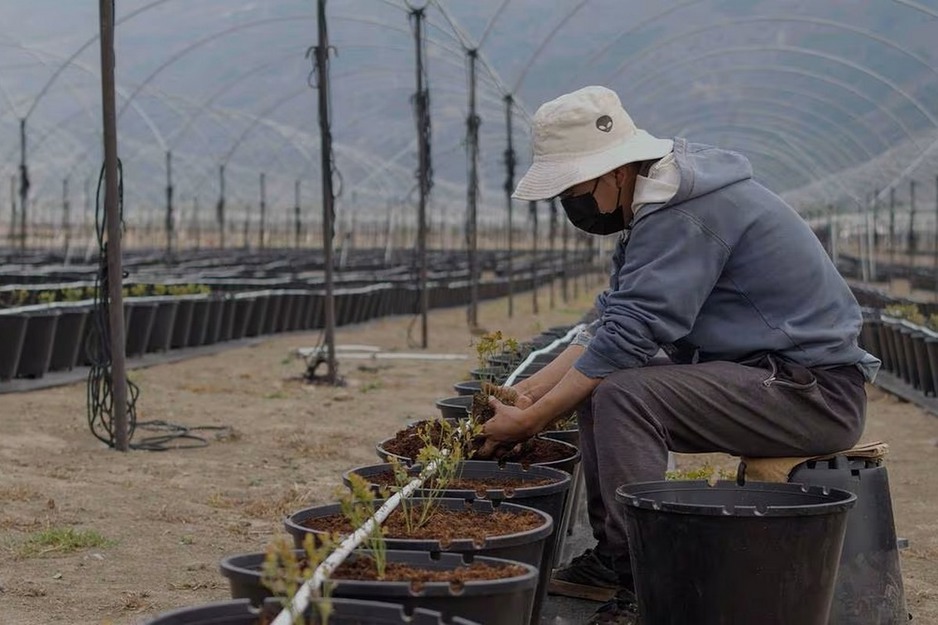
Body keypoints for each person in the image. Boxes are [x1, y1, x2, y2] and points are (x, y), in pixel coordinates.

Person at [477, 85, 879, 625]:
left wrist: (530, 419)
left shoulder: (684, 212)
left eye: (575, 187)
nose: (571, 202)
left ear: (615, 171)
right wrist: (529, 391)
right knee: (603, 387)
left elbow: (630, 337)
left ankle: (645, 580)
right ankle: (619, 559)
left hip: (811, 393)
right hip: (767, 379)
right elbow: (608, 324)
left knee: (622, 391)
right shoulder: (661, 203)